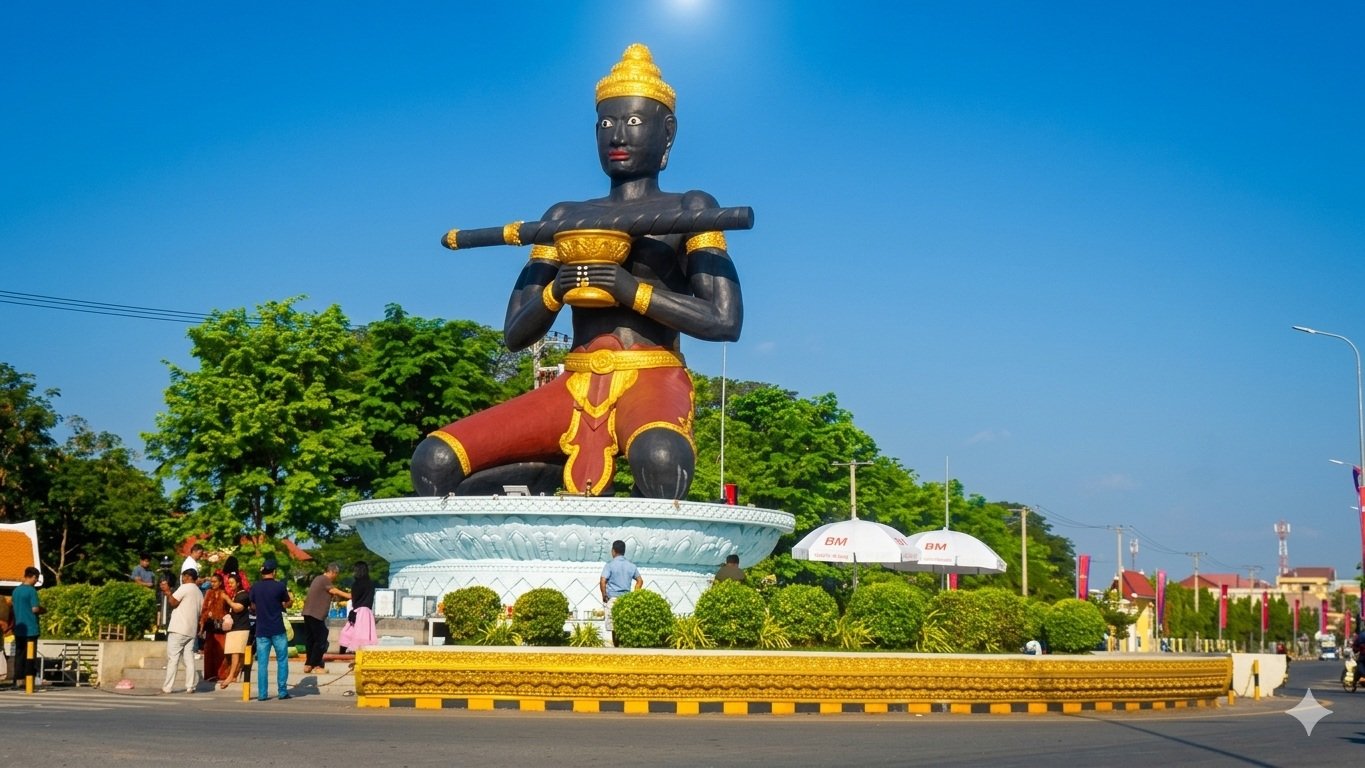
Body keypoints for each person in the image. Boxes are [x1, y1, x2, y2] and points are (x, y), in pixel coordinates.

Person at [410, 43, 743, 500]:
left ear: (667, 134)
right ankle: (543, 479)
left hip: (652, 376)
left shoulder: (692, 208)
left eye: (633, 122)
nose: (617, 136)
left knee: (661, 458)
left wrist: (630, 290)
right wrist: (555, 292)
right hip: (572, 383)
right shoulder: (563, 217)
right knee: (434, 459)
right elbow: (515, 334)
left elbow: (724, 320)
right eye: (606, 124)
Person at [249, 559, 293, 701]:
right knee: (282, 660)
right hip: (278, 628)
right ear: (274, 572)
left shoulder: (255, 587)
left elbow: (253, 606)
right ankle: (282, 691)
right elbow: (287, 603)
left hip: (261, 630)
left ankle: (262, 694)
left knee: (262, 664)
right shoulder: (280, 586)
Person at [301, 562, 350, 673]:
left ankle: (308, 664)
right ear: (332, 572)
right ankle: (316, 665)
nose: (336, 577)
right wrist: (349, 596)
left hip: (308, 613)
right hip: (315, 614)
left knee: (311, 640)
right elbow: (334, 590)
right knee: (321, 639)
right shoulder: (324, 579)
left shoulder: (317, 579)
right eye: (336, 574)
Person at [159, 568, 203, 694]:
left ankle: (167, 687)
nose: (182, 579)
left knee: (173, 658)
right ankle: (190, 686)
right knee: (189, 658)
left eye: (183, 577)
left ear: (188, 577)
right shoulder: (199, 592)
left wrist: (168, 592)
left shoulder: (185, 588)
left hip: (178, 628)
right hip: (191, 630)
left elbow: (173, 602)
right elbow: (201, 611)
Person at [599, 540, 643, 646]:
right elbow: (640, 581)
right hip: (626, 599)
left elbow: (602, 581)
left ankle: (616, 646)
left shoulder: (610, 565)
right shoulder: (631, 566)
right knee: (625, 624)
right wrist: (635, 594)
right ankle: (624, 646)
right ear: (624, 551)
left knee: (614, 626)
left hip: (613, 598)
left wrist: (604, 595)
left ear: (613, 551)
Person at [9, 567, 43, 687]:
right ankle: (28, 681)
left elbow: (13, 607)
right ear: (33, 576)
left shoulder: (16, 591)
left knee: (19, 655)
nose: (36, 581)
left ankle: (18, 680)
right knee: (30, 657)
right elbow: (35, 609)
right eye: (36, 579)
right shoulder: (31, 591)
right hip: (31, 629)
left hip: (19, 628)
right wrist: (43, 610)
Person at [219, 573, 251, 688]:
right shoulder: (235, 595)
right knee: (232, 653)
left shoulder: (243, 595)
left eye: (232, 583)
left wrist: (227, 599)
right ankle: (233, 674)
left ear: (238, 583)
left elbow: (238, 608)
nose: (230, 585)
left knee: (236, 653)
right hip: (234, 628)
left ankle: (231, 676)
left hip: (241, 628)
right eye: (229, 583)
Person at [198, 573, 229, 686]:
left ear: (220, 582)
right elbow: (204, 609)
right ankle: (210, 674)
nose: (213, 583)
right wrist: (204, 621)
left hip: (220, 626)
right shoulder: (208, 593)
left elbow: (226, 609)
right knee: (209, 650)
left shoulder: (224, 593)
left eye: (215, 581)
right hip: (210, 625)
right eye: (212, 581)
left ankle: (222, 674)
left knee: (221, 651)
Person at [338, 561, 376, 654]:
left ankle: (342, 654)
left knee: (347, 633)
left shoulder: (356, 584)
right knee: (363, 635)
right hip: (367, 611)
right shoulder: (370, 583)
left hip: (358, 611)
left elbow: (354, 598)